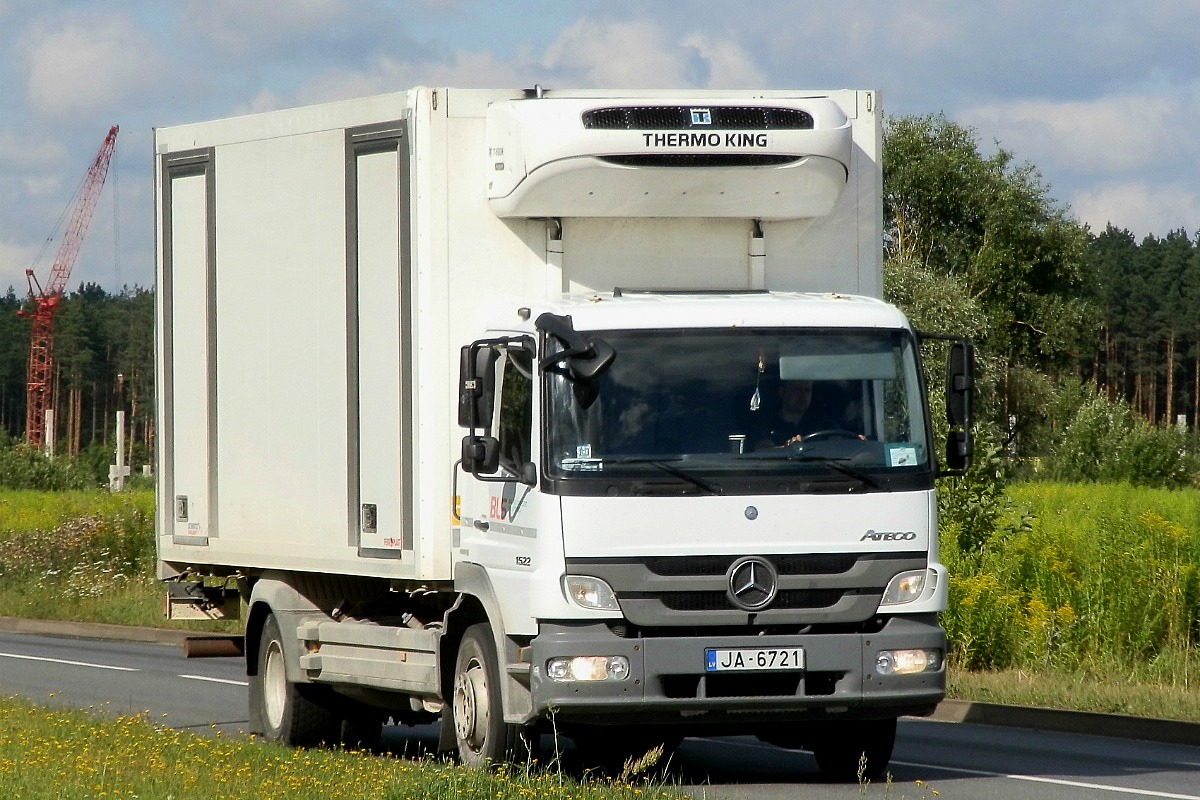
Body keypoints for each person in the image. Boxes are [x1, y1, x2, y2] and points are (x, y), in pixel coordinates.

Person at [749, 379, 843, 449]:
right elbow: (763, 452)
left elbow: (840, 447)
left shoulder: (823, 424)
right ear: (782, 392)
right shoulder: (765, 424)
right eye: (797, 390)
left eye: (807, 390)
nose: (803, 395)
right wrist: (787, 449)